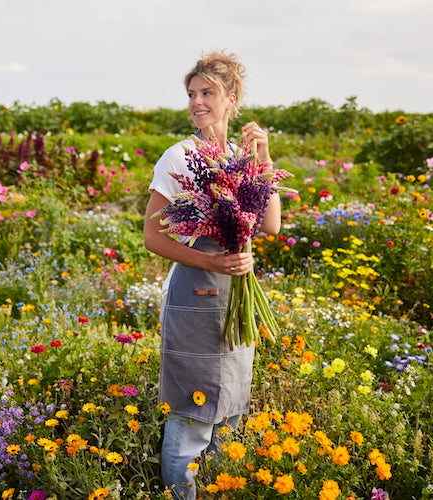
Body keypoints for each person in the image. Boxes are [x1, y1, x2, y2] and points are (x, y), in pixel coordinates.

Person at [143, 50, 281, 499]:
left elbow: (271, 225)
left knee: (230, 407)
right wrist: (211, 261)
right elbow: (153, 237)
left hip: (236, 294)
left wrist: (262, 157)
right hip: (195, 293)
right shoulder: (180, 157)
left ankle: (221, 491)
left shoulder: (243, 155)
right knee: (191, 412)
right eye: (191, 94)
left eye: (207, 93)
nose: (197, 102)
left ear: (231, 99)